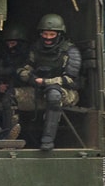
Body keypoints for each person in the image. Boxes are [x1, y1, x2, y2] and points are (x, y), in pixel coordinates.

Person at [14, 14, 81, 150]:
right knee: (11, 95)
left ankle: (48, 140)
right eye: (45, 34)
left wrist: (46, 81)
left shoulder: (70, 51)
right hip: (38, 89)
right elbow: (25, 67)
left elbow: (70, 79)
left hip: (66, 92)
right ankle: (9, 138)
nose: (48, 38)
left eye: (52, 34)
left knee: (53, 95)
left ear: (59, 33)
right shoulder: (36, 49)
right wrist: (28, 76)